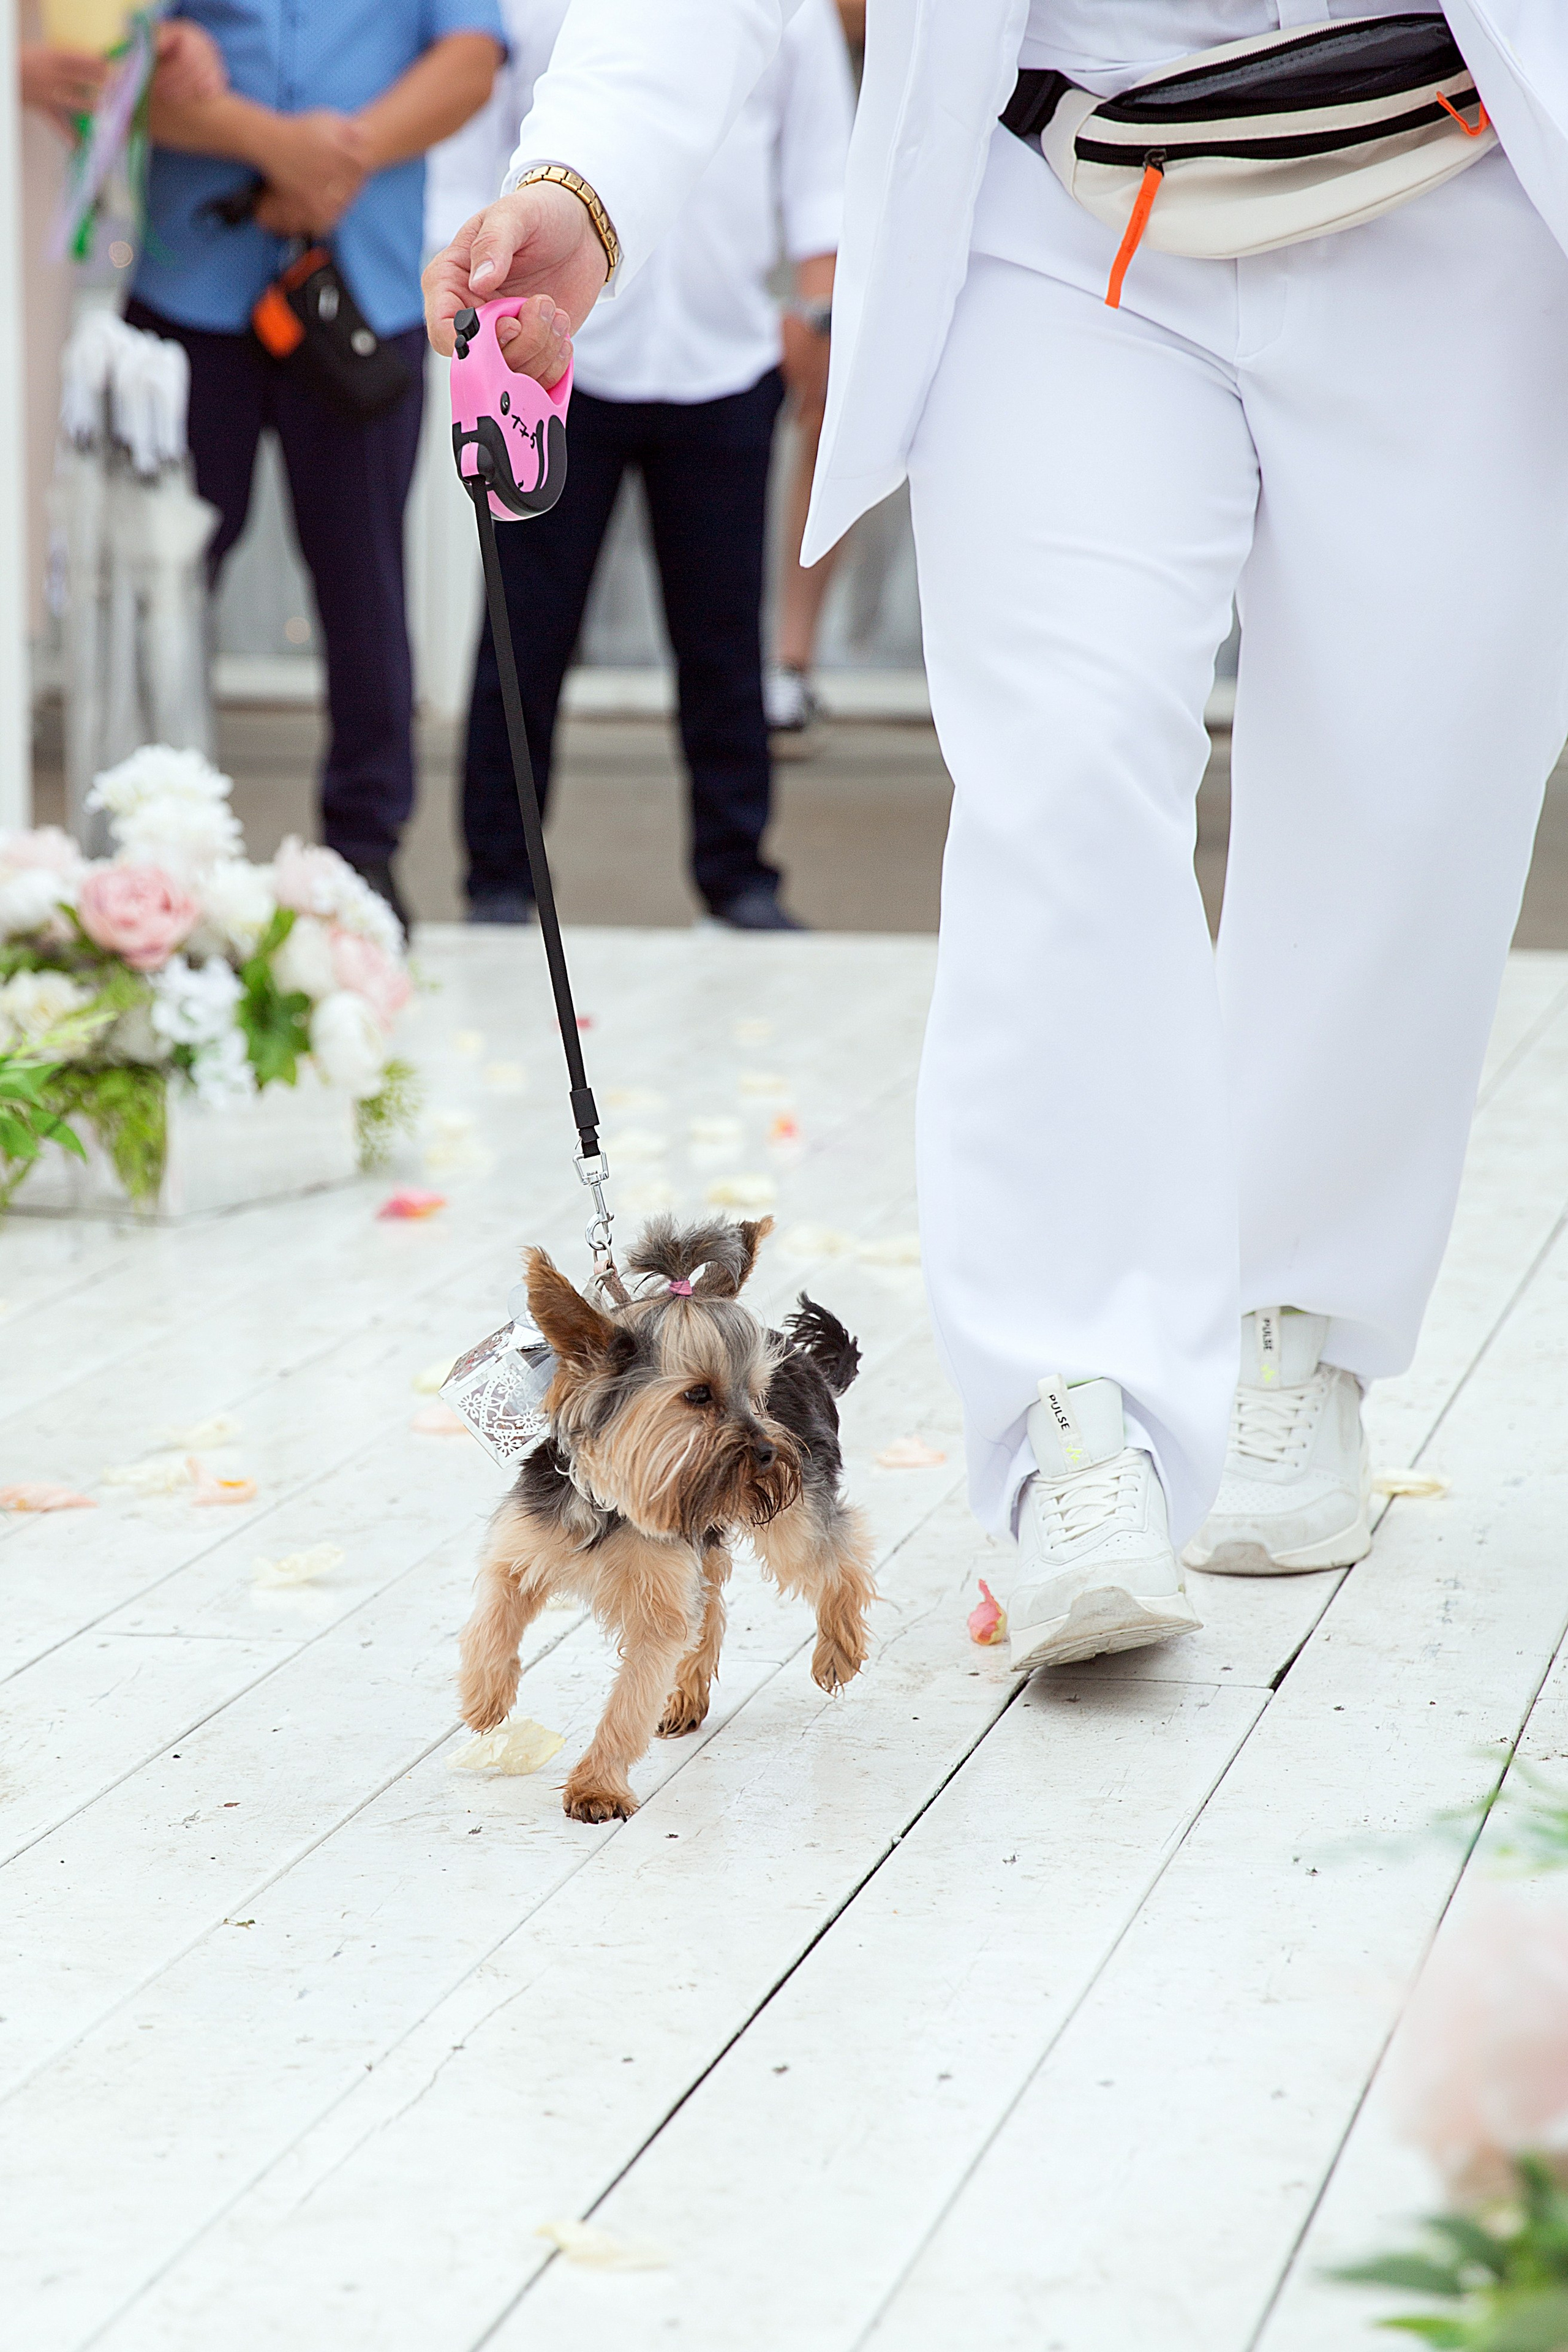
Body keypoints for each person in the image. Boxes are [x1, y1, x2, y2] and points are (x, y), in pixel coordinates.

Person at [424, 2, 1568, 1668]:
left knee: (1421, 792)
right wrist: (590, 180)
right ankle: (1071, 1424)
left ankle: (1297, 1325)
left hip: (1457, 200)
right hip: (1068, 199)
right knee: (1062, 773)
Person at [428, 0, 853, 930]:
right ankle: (500, 879)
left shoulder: (799, 19)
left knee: (722, 640)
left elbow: (825, 173)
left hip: (726, 360)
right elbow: (466, 168)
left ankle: (739, 877)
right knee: (525, 633)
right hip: (558, 364)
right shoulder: (519, 9)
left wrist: (815, 311)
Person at [121, 0, 507, 931]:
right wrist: (268, 142)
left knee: (363, 581)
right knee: (159, 589)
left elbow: (470, 62)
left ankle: (364, 859)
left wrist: (339, 158)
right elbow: (116, 65)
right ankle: (144, 853)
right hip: (191, 287)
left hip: (360, 291)